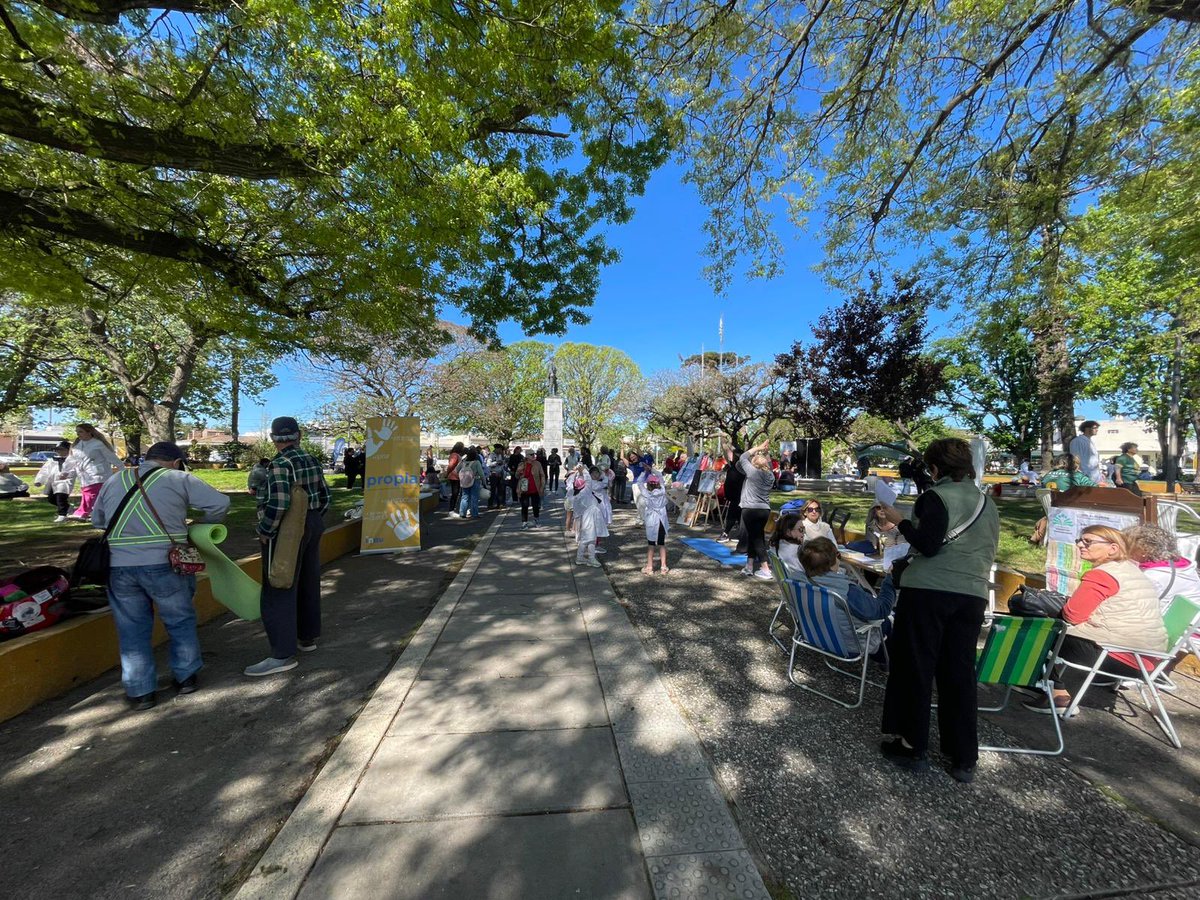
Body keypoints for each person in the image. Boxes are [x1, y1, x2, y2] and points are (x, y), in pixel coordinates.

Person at [877, 437, 1000, 783]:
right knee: (958, 673)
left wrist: (900, 521)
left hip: (929, 591)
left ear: (934, 468)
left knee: (916, 667)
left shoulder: (935, 497)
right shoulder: (986, 503)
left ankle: (911, 743)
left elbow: (928, 544)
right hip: (972, 594)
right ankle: (963, 756)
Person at [91, 441, 230, 709]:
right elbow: (220, 504)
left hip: (119, 567)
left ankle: (140, 691)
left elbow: (97, 520)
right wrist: (200, 524)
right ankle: (186, 677)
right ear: (177, 462)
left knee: (131, 629)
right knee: (179, 620)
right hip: (167, 563)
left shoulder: (115, 479)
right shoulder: (179, 478)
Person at [1024, 526, 1167, 716]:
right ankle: (1045, 683)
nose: (1081, 545)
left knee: (1036, 626)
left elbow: (1072, 616)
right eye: (1080, 541)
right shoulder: (1128, 570)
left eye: (1088, 542)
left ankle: (1059, 694)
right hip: (1147, 659)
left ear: (1113, 549)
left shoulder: (1102, 575)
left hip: (1118, 656)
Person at [246, 417, 332, 678]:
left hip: (286, 529)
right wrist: (312, 520)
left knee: (278, 585)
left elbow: (280, 503)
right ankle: (306, 637)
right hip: (313, 521)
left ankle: (281, 654)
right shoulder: (311, 460)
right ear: (299, 435)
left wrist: (265, 530)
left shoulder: (280, 464)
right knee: (308, 579)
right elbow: (326, 495)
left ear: (273, 439)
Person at [796, 537, 896, 639]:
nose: (839, 559)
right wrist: (889, 578)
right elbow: (882, 609)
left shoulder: (797, 581)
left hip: (816, 636)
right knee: (888, 622)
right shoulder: (846, 591)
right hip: (851, 644)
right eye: (838, 555)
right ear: (831, 564)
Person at [1123, 524, 1200, 610]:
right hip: (1194, 617)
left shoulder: (1151, 576)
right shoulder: (1185, 565)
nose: (1123, 551)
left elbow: (1133, 607)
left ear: (1143, 550)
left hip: (1173, 621)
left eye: (1126, 546)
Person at [737, 438, 776, 580]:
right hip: (764, 510)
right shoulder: (770, 476)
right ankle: (749, 565)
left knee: (757, 539)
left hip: (750, 509)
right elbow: (769, 465)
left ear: (753, 464)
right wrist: (766, 453)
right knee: (755, 536)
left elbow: (742, 457)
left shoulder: (753, 473)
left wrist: (758, 447)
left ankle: (765, 569)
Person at [69, 423, 122, 519]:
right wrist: (65, 472)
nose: (78, 434)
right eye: (77, 432)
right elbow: (71, 460)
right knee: (90, 494)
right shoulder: (76, 445)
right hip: (84, 476)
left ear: (89, 432)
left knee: (90, 494)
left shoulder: (98, 444)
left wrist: (122, 468)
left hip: (98, 475)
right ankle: (101, 514)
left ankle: (82, 512)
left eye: (80, 432)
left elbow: (111, 457)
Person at [33, 441, 75, 521]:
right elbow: (44, 470)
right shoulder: (52, 460)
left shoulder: (72, 460)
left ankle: (62, 515)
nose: (59, 451)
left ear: (68, 450)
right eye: (57, 450)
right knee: (51, 499)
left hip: (65, 481)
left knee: (61, 497)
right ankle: (68, 507)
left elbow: (75, 470)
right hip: (52, 481)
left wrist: (68, 474)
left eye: (62, 449)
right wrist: (39, 480)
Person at [642, 474, 671, 575]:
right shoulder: (662, 491)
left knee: (651, 545)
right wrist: (652, 469)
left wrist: (644, 472)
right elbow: (661, 477)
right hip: (661, 520)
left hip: (651, 521)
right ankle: (663, 566)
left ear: (648, 485)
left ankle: (649, 567)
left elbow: (638, 483)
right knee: (661, 544)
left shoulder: (646, 493)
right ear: (658, 484)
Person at [572, 475, 600, 567]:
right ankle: (590, 558)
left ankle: (581, 557)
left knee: (587, 539)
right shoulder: (584, 493)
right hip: (589, 519)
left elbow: (576, 514)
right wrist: (584, 470)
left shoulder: (577, 496)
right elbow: (589, 480)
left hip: (585, 519)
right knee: (590, 539)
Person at [516, 448, 545, 528]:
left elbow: (542, 475)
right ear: (527, 456)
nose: (533, 456)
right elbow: (516, 476)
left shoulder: (537, 464)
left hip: (535, 488)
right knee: (524, 506)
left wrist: (542, 486)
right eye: (531, 455)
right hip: (524, 489)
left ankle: (536, 520)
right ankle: (524, 522)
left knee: (536, 506)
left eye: (534, 454)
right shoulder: (522, 464)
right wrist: (519, 472)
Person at [456, 448, 484, 519]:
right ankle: (475, 514)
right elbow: (481, 473)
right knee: (474, 497)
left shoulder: (463, 462)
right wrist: (484, 482)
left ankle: (462, 513)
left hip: (464, 481)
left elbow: (456, 470)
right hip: (475, 480)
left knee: (464, 497)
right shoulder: (477, 462)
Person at [445, 441, 465, 516]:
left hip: (457, 476)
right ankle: (451, 510)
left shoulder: (456, 455)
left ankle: (453, 509)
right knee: (455, 494)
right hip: (454, 477)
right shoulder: (454, 455)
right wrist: (447, 474)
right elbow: (451, 465)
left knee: (456, 494)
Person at [486, 443, 508, 509]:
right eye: (500, 450)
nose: (501, 451)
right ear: (497, 449)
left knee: (500, 490)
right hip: (493, 474)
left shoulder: (500, 455)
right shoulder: (491, 455)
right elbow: (488, 464)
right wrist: (496, 463)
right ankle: (490, 504)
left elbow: (502, 464)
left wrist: (502, 463)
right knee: (493, 490)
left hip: (500, 474)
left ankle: (500, 504)